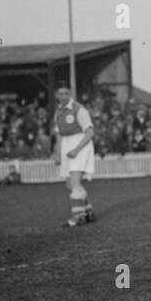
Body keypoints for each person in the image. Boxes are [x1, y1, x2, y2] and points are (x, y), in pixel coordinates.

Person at [52, 86, 96, 227]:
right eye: (60, 93)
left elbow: (90, 132)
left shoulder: (79, 109)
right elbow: (59, 135)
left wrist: (77, 150)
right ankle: (88, 212)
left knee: (75, 182)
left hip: (81, 143)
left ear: (70, 94)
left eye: (66, 93)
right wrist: (57, 154)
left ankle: (78, 217)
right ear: (56, 95)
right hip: (66, 144)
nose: (64, 96)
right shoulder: (58, 112)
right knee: (70, 184)